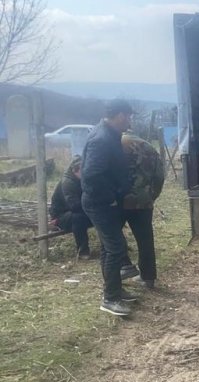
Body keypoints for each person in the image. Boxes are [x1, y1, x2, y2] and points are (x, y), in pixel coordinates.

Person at [81, 99, 137, 316]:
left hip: (106, 201)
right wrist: (111, 197)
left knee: (108, 247)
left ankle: (115, 289)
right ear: (120, 115)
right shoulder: (102, 139)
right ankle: (110, 298)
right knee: (116, 248)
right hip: (100, 203)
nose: (130, 120)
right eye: (129, 116)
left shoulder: (109, 135)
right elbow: (91, 175)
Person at [120, 131, 165, 290]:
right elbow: (160, 174)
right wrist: (152, 195)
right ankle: (148, 278)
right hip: (144, 200)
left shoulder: (117, 143)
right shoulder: (149, 147)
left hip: (121, 200)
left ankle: (123, 267)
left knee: (113, 236)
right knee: (145, 239)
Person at [49, 156, 93, 259]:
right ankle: (82, 251)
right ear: (75, 171)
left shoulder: (82, 179)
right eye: (83, 171)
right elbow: (74, 206)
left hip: (79, 209)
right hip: (61, 216)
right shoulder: (68, 183)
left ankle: (113, 245)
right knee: (78, 218)